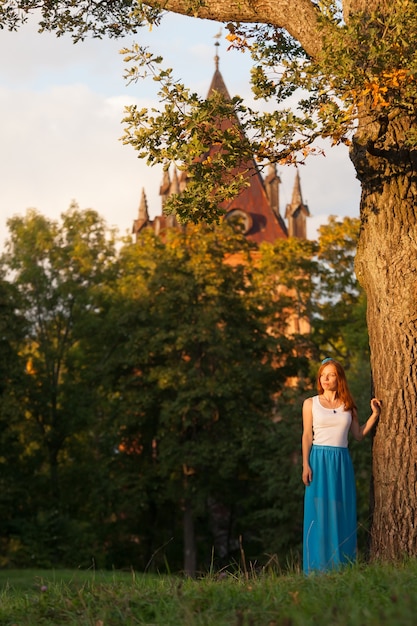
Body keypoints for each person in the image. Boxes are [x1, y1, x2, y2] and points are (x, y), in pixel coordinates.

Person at [302, 358, 381, 575]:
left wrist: (374, 415)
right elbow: (307, 435)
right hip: (318, 460)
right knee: (319, 514)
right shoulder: (310, 403)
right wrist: (305, 464)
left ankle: (342, 566)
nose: (325, 379)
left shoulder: (348, 406)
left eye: (331, 375)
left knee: (341, 512)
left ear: (339, 378)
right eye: (322, 375)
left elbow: (357, 435)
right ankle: (316, 569)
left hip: (341, 462)